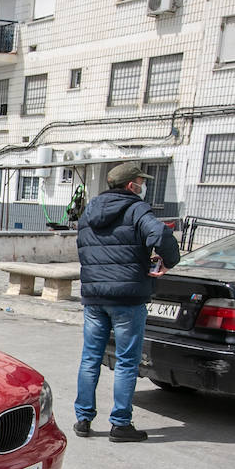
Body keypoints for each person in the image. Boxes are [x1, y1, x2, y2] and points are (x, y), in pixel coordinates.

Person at [73, 161, 180, 443]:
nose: (143, 187)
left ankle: (83, 419)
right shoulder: (136, 209)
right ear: (132, 185)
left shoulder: (89, 211)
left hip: (94, 296)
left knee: (90, 358)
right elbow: (160, 234)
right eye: (141, 182)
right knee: (126, 361)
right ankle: (120, 424)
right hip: (128, 297)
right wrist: (167, 262)